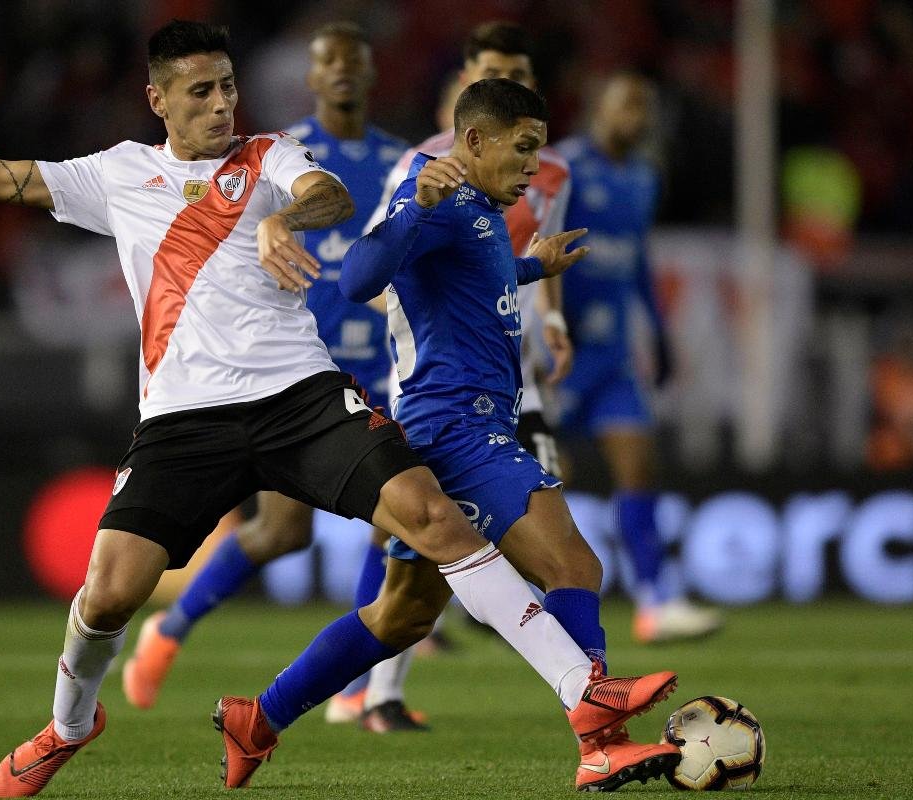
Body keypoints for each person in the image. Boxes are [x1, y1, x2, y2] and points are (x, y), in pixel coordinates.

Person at [0, 20, 651, 799]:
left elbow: (331, 196)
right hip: (183, 421)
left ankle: (586, 700)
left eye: (228, 86)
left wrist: (285, 220)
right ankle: (68, 727)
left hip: (301, 396)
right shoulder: (119, 175)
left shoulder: (268, 159)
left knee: (430, 517)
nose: (221, 104)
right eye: (200, 91)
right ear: (158, 99)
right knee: (109, 593)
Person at [214, 78, 681, 794]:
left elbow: (470, 280)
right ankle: (600, 736)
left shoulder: (486, 213)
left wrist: (535, 267)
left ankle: (260, 719)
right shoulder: (436, 203)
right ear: (473, 141)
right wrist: (415, 205)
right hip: (455, 427)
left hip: (454, 427)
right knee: (575, 568)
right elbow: (359, 277)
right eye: (522, 148)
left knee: (397, 616)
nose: (533, 164)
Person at [121, 20, 413, 727]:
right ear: (309, 78)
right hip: (298, 366)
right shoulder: (277, 155)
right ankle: (170, 628)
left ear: (373, 75)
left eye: (355, 60)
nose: (342, 71)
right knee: (282, 534)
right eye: (328, 61)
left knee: (395, 518)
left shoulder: (400, 160)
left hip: (379, 358)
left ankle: (362, 692)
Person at [356, 19, 576, 730]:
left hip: (502, 369)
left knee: (416, 581)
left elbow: (487, 264)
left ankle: (314, 703)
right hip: (442, 386)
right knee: (555, 555)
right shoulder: (426, 170)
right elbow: (374, 267)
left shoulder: (541, 175)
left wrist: (544, 300)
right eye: (493, 66)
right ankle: (590, 693)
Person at [554, 72, 723, 644]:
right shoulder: (564, 168)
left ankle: (655, 599)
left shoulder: (645, 177)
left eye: (644, 107)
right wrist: (550, 326)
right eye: (626, 103)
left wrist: (663, 334)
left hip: (613, 355)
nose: (636, 116)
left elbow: (637, 262)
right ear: (597, 108)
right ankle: (475, 593)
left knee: (638, 464)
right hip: (562, 352)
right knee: (546, 475)